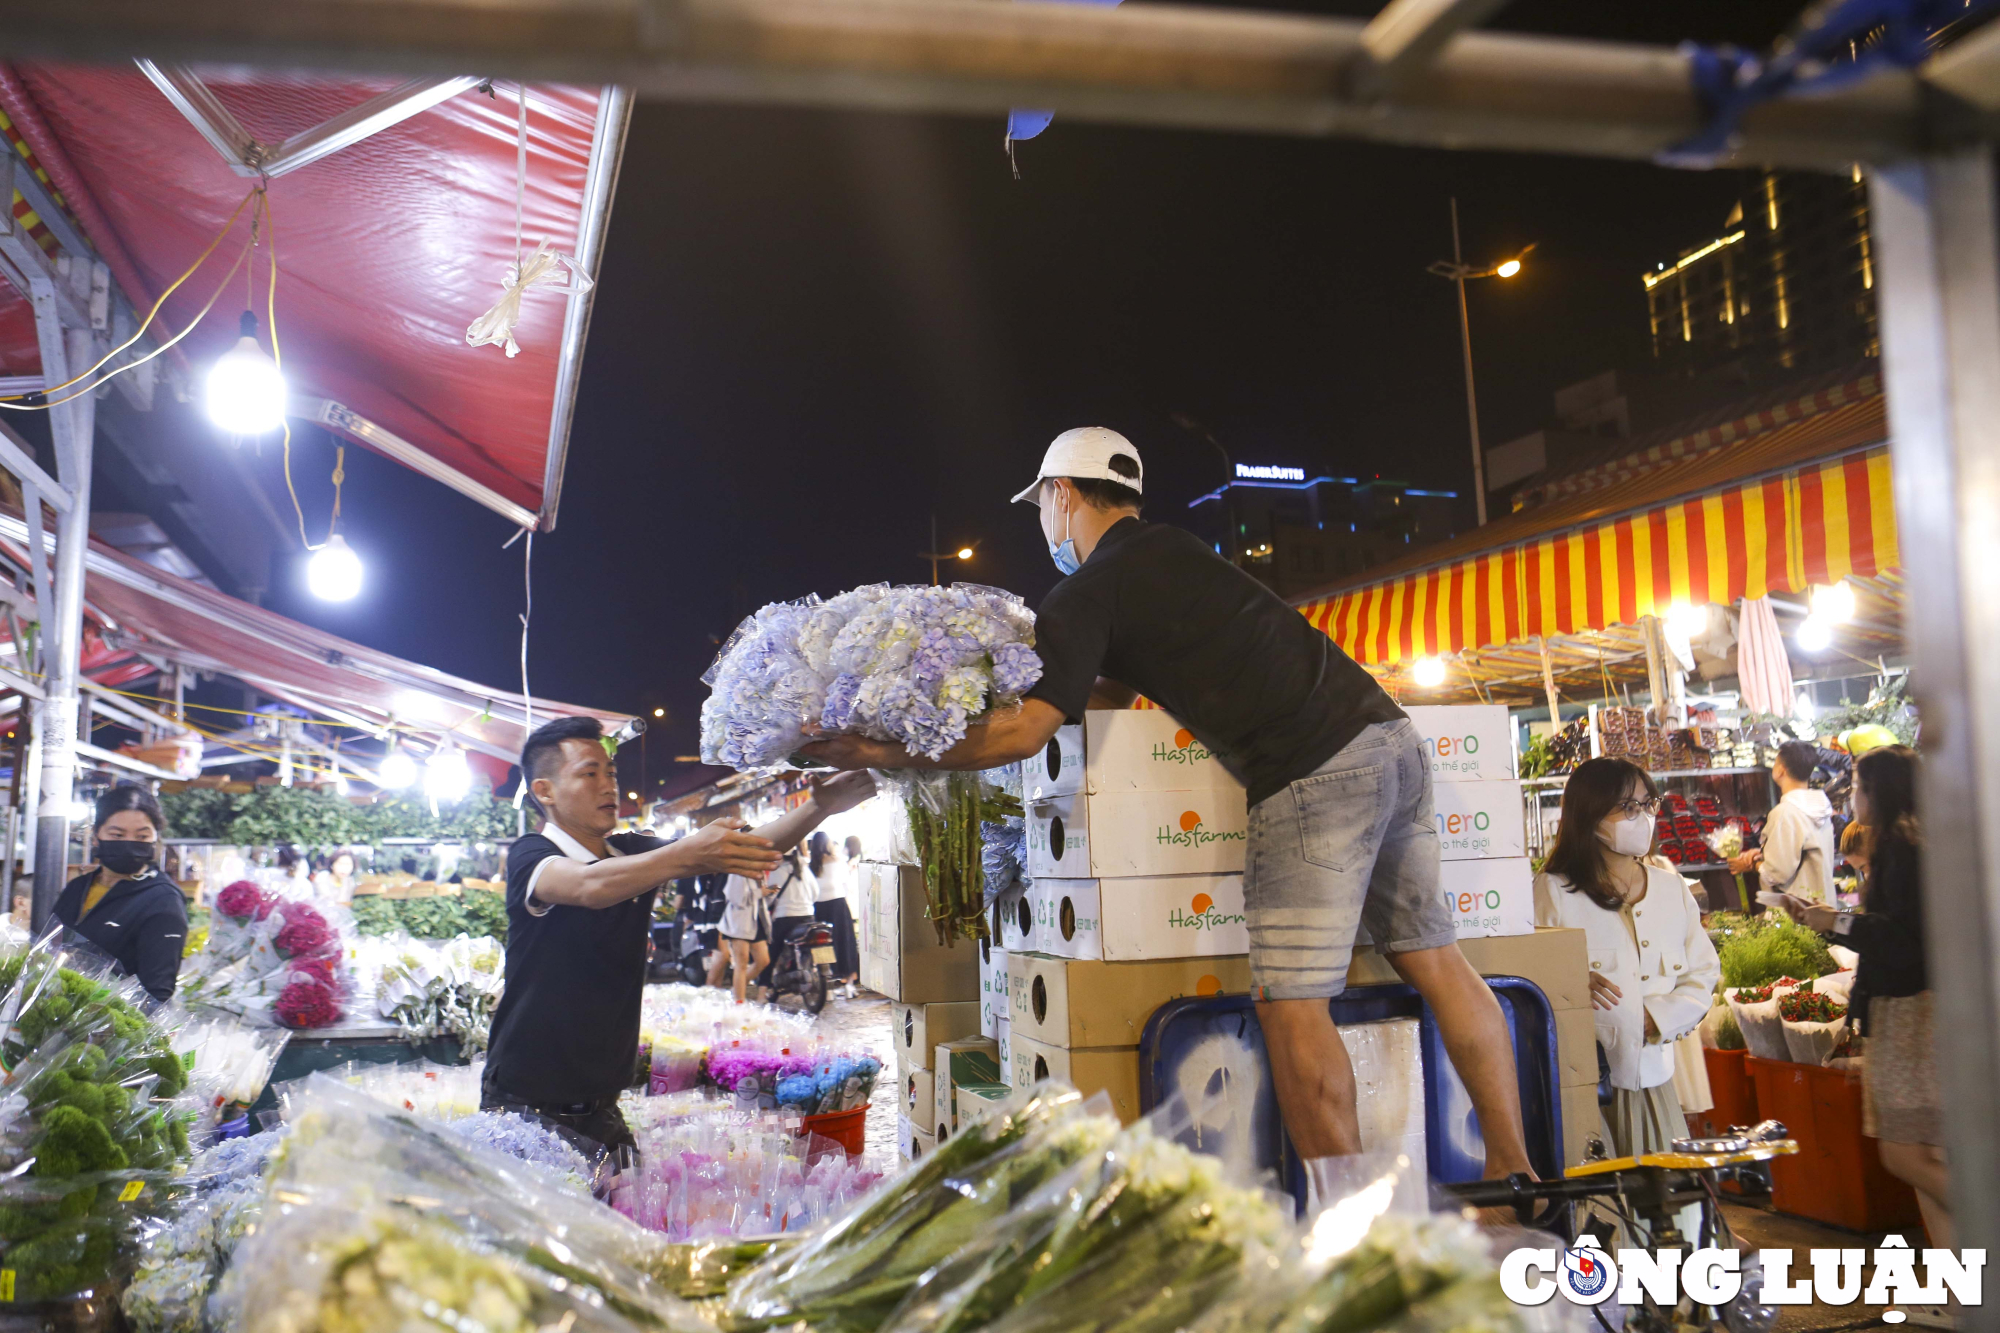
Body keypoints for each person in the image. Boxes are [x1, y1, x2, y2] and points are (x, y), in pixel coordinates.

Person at [802, 426, 1535, 1180]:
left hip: (1313, 770)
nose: (1044, 524)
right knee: (1438, 962)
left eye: (1041, 506)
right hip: (1392, 738)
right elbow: (1100, 698)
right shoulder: (1177, 552)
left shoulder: (1084, 593)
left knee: (1292, 1008)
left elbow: (1029, 732)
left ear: (1060, 495)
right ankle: (1515, 1174)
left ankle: (1349, 1229)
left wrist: (886, 748)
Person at [482, 715, 873, 1159]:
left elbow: (754, 846)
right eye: (589, 774)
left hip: (604, 1104)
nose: (608, 785)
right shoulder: (532, 856)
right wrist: (683, 855)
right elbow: (588, 886)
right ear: (544, 791)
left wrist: (820, 805)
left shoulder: (632, 852)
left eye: (610, 772)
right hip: (526, 1105)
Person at [1772, 746, 1952, 1262]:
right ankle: (1969, 1297)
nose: (1851, 796)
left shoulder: (1901, 845)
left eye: (1857, 785)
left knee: (1905, 1153)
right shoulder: (1919, 839)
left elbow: (1900, 938)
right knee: (1931, 1158)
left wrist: (1835, 922)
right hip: (1920, 1008)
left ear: (1882, 790)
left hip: (1913, 1012)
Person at [1535, 759, 1718, 1174]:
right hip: (1584, 1084)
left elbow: (1702, 973)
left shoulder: (1673, 890)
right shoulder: (1554, 891)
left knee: (1669, 1201)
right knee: (1603, 1208)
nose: (1644, 817)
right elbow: (1533, 980)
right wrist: (1566, 984)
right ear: (1591, 814)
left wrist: (1659, 1018)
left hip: (1654, 1078)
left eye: (1648, 804)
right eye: (1628, 808)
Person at [53, 784, 188, 1001]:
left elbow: (156, 992)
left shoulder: (163, 901)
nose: (129, 843)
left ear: (155, 839)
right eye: (117, 834)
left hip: (106, 1025)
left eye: (142, 836)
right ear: (97, 835)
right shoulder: (77, 887)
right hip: (56, 1008)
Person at [1727, 739, 1835, 904]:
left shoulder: (1785, 812)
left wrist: (1750, 865)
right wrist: (1763, 853)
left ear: (1780, 770)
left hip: (1798, 916)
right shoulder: (1820, 806)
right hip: (1821, 907)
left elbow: (1775, 874)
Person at [718, 860, 774, 1003]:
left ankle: (736, 989)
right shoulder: (739, 870)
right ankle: (739, 1002)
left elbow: (759, 898)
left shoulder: (760, 872)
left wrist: (768, 893)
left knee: (763, 960)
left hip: (756, 920)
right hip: (739, 922)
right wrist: (760, 892)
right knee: (741, 962)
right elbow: (736, 897)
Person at [762, 845, 819, 988]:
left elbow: (769, 897)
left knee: (771, 952)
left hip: (785, 919)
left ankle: (764, 985)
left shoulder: (777, 872)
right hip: (808, 918)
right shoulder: (805, 869)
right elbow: (816, 893)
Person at [810, 830, 860, 987]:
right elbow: (847, 885)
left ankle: (827, 978)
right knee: (845, 940)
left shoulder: (810, 865)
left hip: (818, 907)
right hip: (838, 905)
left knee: (823, 943)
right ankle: (850, 979)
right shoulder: (837, 861)